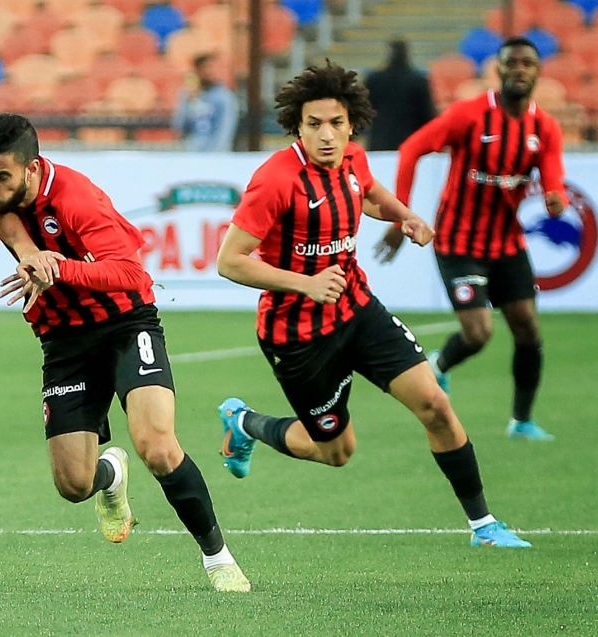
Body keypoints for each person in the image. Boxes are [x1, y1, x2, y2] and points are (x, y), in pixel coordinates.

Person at [215, 61, 531, 549]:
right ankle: (245, 423)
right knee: (336, 452)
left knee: (435, 404)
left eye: (336, 123)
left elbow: (372, 194)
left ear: (351, 125)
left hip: (358, 310)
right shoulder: (275, 180)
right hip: (298, 336)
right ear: (297, 127)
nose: (326, 135)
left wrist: (406, 217)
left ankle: (484, 526)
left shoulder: (353, 161)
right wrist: (305, 284)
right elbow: (230, 261)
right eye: (314, 124)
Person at [0, 113, 252, 592]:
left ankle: (218, 557)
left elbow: (130, 274)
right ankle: (111, 474)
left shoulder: (75, 198)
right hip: (63, 342)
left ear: (31, 168)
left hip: (125, 325)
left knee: (157, 445)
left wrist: (59, 268)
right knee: (73, 485)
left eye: (1, 175)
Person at [374, 36, 564, 442]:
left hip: (507, 244)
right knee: (478, 334)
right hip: (459, 243)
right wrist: (401, 215)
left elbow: (553, 179)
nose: (519, 70)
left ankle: (522, 422)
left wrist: (556, 199)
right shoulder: (470, 115)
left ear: (537, 72)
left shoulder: (544, 127)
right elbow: (411, 149)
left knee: (528, 328)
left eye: (527, 63)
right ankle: (439, 365)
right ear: (498, 70)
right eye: (511, 63)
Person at [363, 39, 436, 151]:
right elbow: (427, 114)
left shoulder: (374, 80)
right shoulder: (419, 81)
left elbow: (364, 112)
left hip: (380, 142)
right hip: (411, 143)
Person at [171, 53, 239, 152]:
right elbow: (179, 127)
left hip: (215, 155)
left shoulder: (224, 97)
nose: (209, 71)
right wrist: (189, 103)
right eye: (205, 67)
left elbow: (225, 130)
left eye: (212, 67)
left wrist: (214, 155)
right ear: (197, 70)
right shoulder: (187, 95)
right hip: (191, 153)